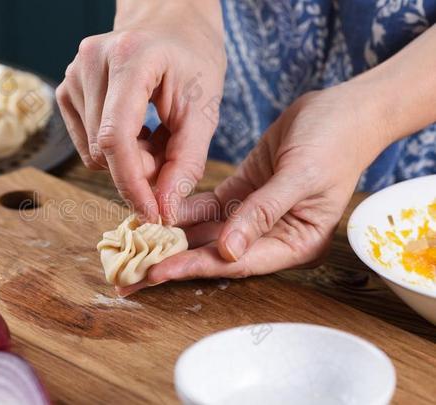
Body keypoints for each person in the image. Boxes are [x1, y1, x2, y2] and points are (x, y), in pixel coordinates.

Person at [56, 0, 436, 294]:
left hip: (417, 179)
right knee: (183, 182)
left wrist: (373, 115)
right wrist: (167, 13)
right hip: (224, 91)